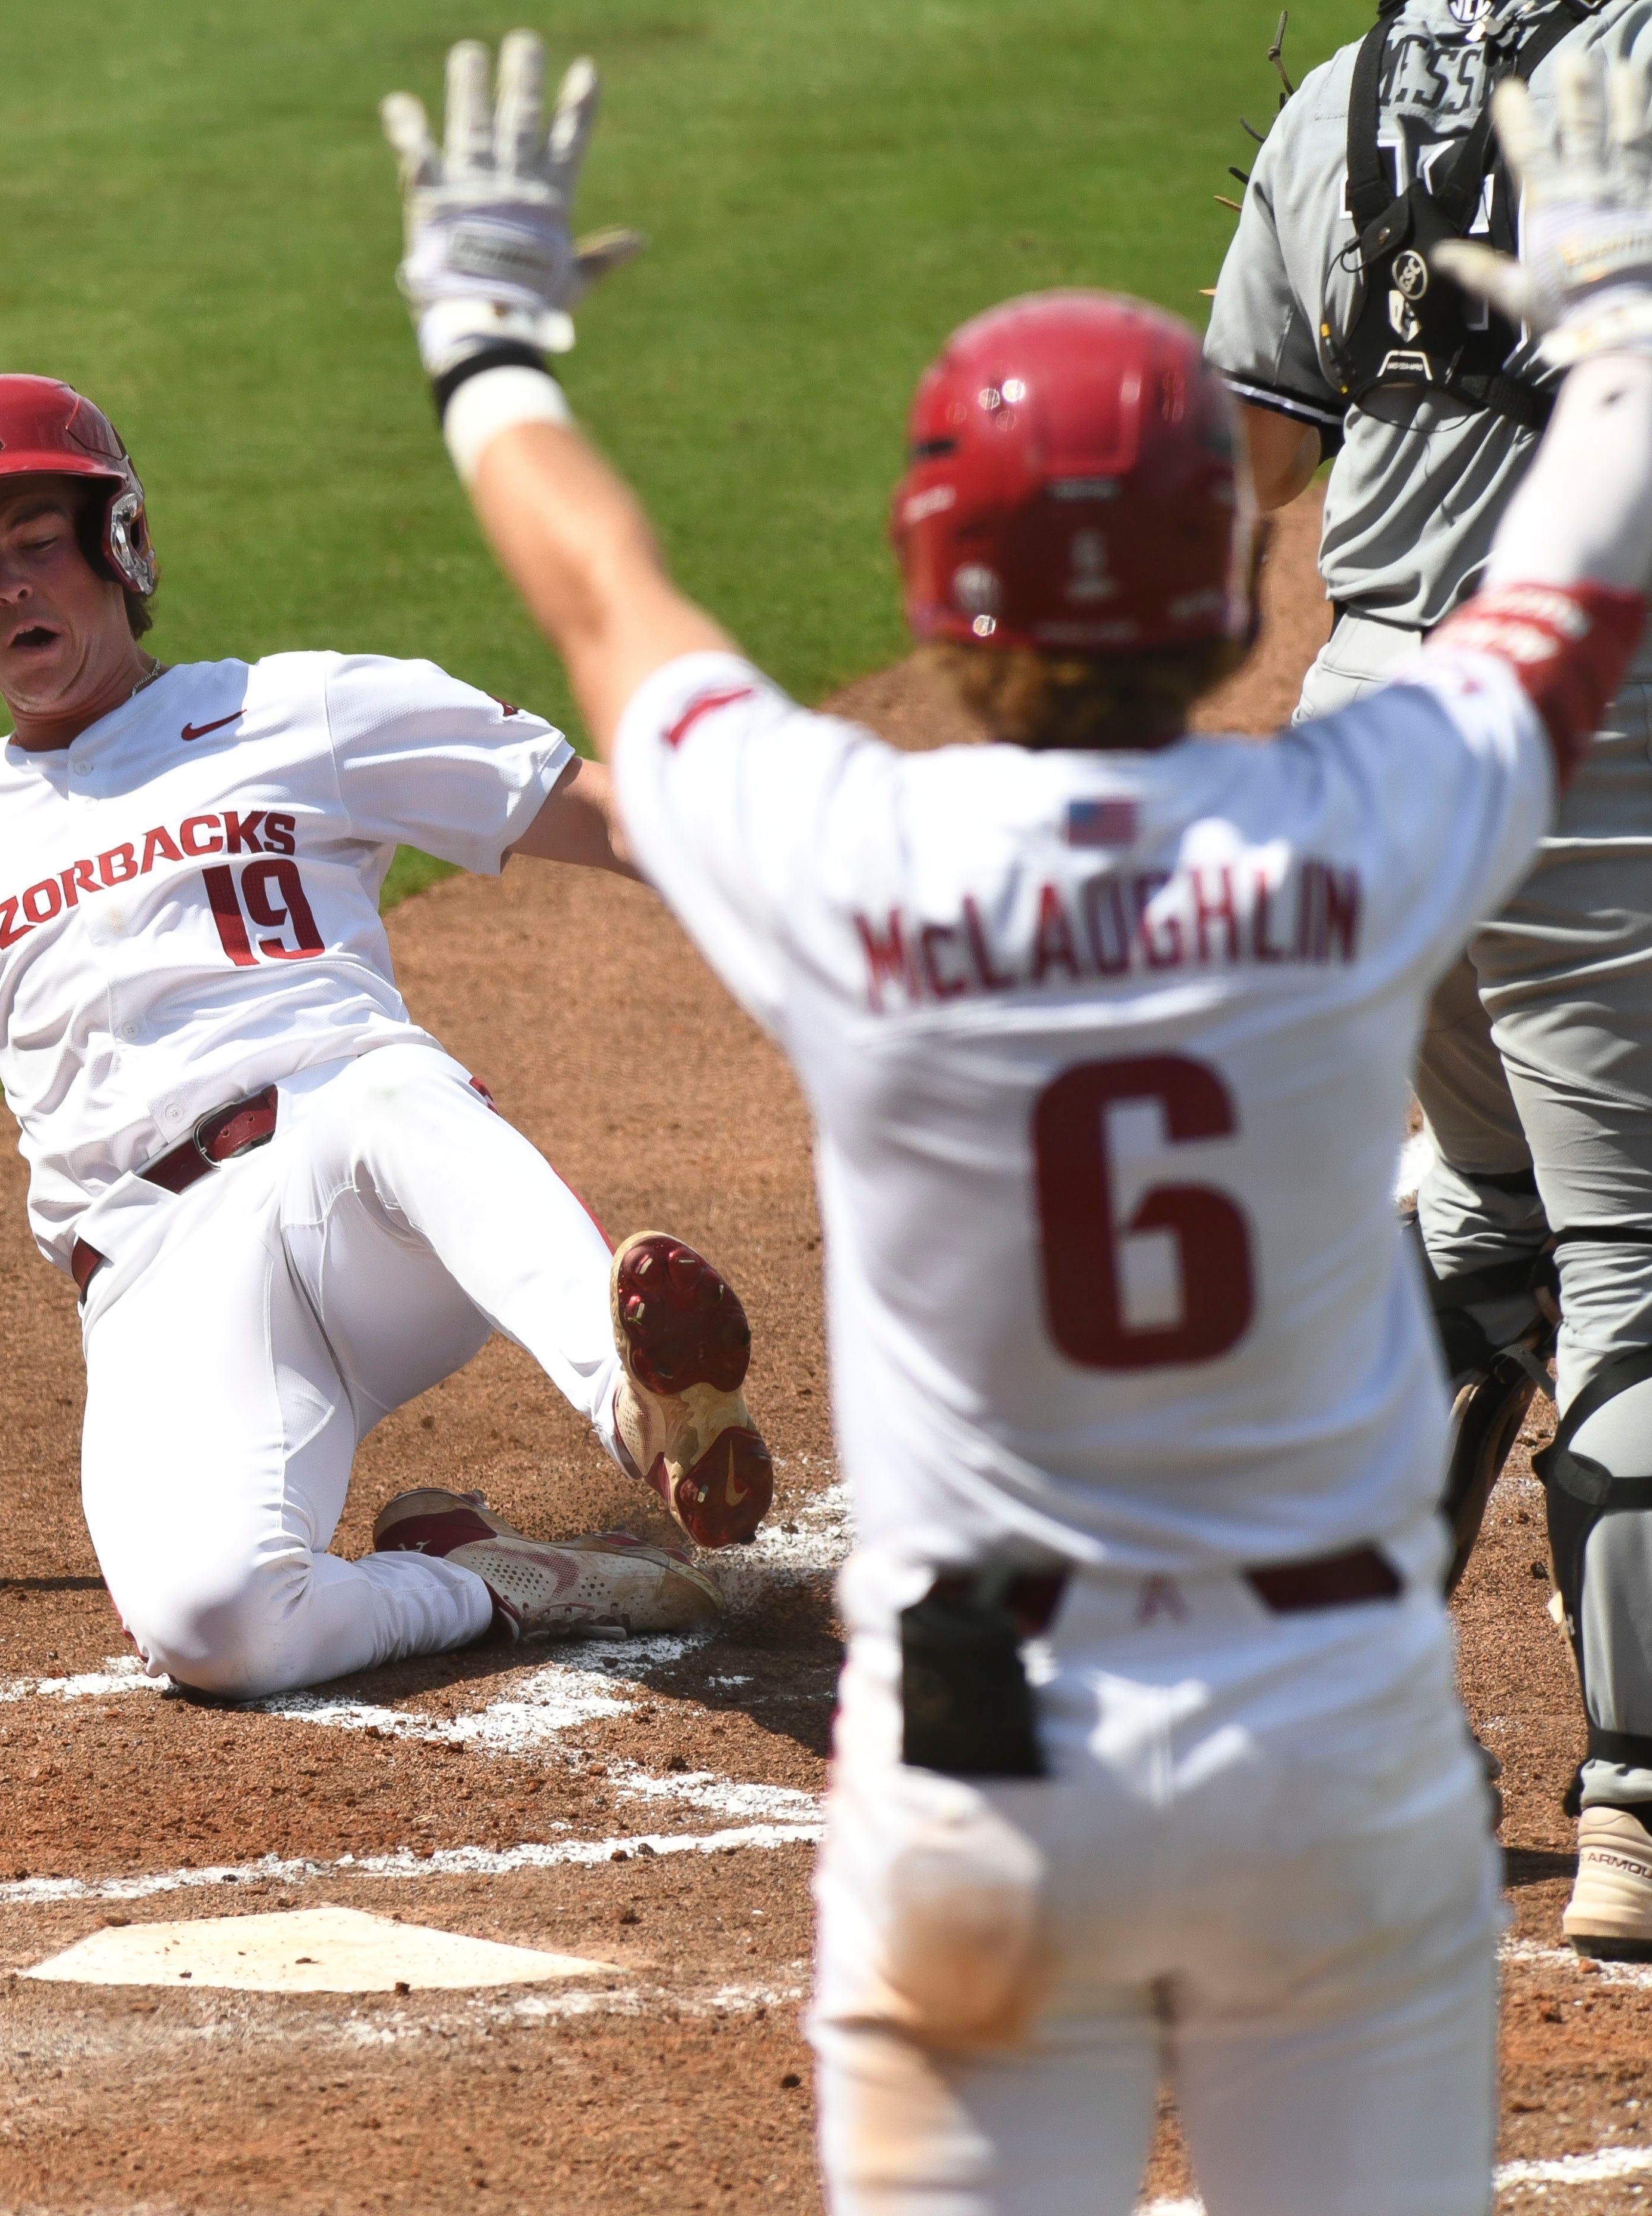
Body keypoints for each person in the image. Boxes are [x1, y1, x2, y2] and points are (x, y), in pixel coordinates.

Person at [376, 30, 1652, 2209]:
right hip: (1330, 1766)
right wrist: (1618, 334)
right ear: (1227, 576)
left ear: (924, 580)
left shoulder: (848, 857)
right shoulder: (1369, 825)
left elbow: (606, 601)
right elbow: (1560, 604)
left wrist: (485, 341)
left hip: (987, 1783)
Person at [0, 368, 778, 1697]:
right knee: (215, 1631)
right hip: (155, 1266)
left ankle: (641, 1407)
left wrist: (821, 893)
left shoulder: (301, 711)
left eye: (34, 543)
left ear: (115, 544)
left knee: (386, 1095)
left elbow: (604, 813)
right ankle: (492, 1578)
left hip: (358, 1184)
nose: (10, 584)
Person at [1207, 0, 1652, 1956]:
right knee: (1632, 1248)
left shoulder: (1344, 81)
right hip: (1593, 723)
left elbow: (1245, 443)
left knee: (1477, 1215)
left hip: (1368, 724)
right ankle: (1637, 1806)